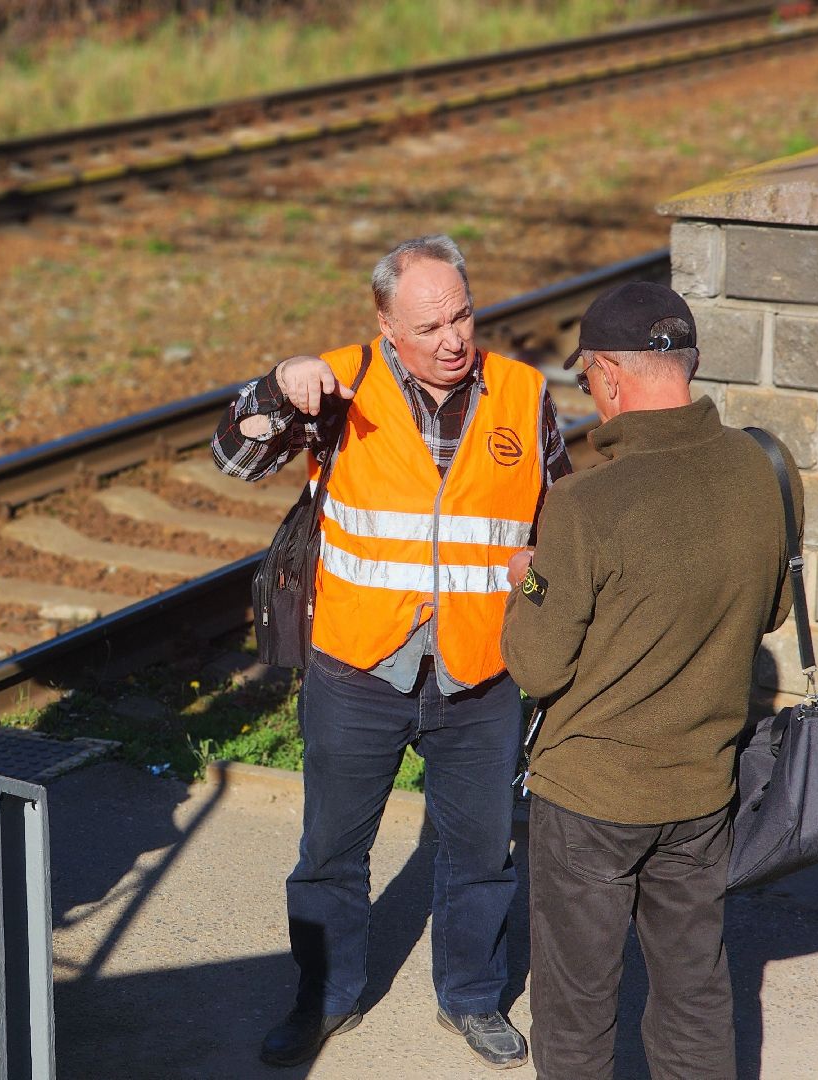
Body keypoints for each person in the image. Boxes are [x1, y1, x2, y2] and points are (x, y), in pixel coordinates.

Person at [212, 234, 570, 1069]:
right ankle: (324, 998)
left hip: (480, 670)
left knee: (482, 852)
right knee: (332, 850)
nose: (453, 338)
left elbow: (557, 519)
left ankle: (473, 998)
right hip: (360, 666)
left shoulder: (522, 391)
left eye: (464, 315)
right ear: (386, 325)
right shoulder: (335, 384)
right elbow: (233, 455)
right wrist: (274, 390)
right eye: (430, 324)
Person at [500, 281, 801, 1079]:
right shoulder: (761, 468)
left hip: (591, 798)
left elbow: (536, 664)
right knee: (696, 992)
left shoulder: (582, 504)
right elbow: (770, 611)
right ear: (688, 364)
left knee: (576, 1008)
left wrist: (528, 581)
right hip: (703, 792)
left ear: (603, 374)